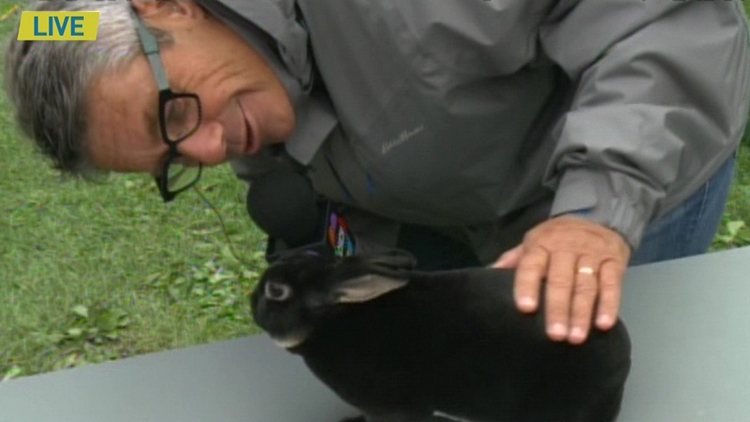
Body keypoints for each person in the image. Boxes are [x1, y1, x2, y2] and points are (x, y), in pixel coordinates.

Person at [5, 0, 750, 346]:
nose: (205, 151)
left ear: (169, 6)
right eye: (174, 162)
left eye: (172, 116)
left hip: (614, 183)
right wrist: (34, 22)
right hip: (435, 209)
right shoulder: (211, 73)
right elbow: (37, 18)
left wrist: (600, 206)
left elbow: (659, 19)